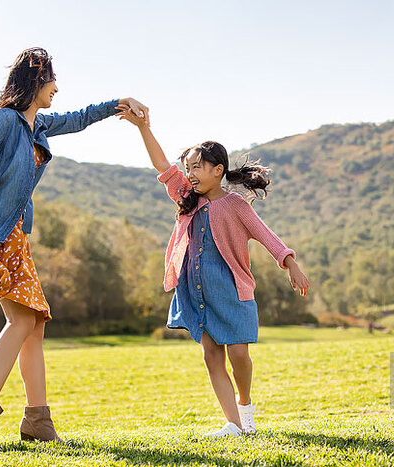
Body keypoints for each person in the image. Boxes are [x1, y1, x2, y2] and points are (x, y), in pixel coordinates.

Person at [0, 47, 149, 447]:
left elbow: (78, 118)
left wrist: (119, 103)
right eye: (52, 80)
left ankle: (37, 421)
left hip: (17, 238)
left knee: (34, 326)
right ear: (35, 82)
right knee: (21, 322)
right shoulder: (6, 121)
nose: (57, 88)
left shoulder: (37, 125)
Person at [118, 105, 311, 437]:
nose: (190, 173)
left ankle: (245, 406)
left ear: (218, 169)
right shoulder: (186, 197)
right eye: (188, 168)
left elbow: (266, 236)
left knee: (239, 354)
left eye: (197, 167)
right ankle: (234, 424)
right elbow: (162, 166)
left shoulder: (235, 204)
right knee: (211, 355)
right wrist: (142, 128)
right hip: (195, 292)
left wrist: (290, 263)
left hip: (232, 291)